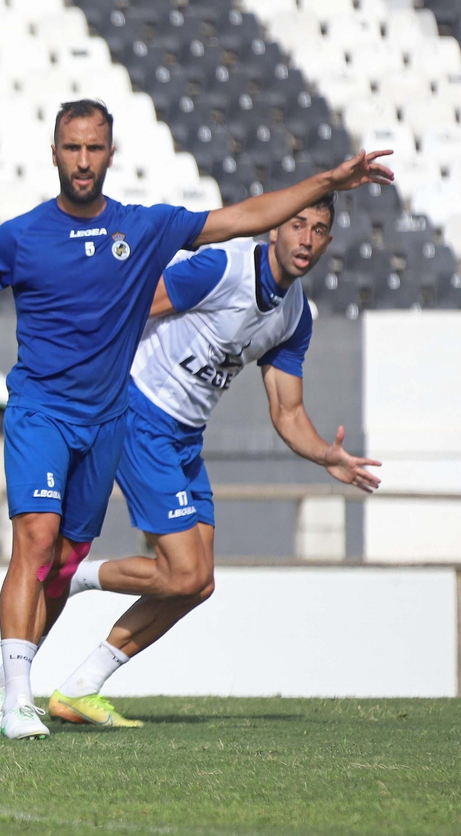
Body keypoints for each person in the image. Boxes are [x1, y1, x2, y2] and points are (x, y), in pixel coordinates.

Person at [0, 98, 393, 740]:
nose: (83, 161)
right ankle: (19, 700)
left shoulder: (147, 230)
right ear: (54, 153)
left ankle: (12, 680)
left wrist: (327, 180)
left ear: (110, 155)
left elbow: (238, 218)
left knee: (91, 566)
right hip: (49, 409)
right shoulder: (22, 236)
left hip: (112, 423)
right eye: (72, 148)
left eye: (94, 149)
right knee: (38, 542)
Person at [45, 194, 382, 728]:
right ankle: (73, 576)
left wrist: (326, 456)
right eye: (297, 224)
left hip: (184, 437)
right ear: (275, 227)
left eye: (319, 230)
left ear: (328, 243)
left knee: (197, 584)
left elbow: (287, 411)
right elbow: (131, 306)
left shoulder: (295, 316)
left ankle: (81, 687)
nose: (306, 239)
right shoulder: (223, 267)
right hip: (139, 414)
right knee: (182, 572)